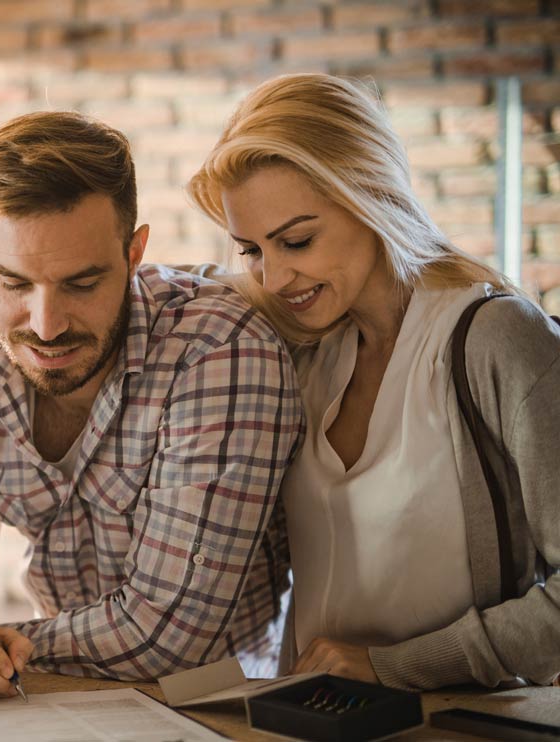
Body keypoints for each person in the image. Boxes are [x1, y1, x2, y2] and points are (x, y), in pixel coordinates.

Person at [0, 111, 304, 695]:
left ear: (134, 252)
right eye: (13, 283)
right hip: (60, 708)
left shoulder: (219, 351)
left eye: (81, 283)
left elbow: (169, 633)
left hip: (223, 711)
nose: (46, 326)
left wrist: (1, 647)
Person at [186, 72, 560, 690]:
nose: (275, 277)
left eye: (297, 241)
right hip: (307, 721)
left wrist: (393, 668)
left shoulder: (496, 339)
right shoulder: (303, 348)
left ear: (371, 198)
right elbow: (180, 293)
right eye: (251, 250)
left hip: (462, 731)